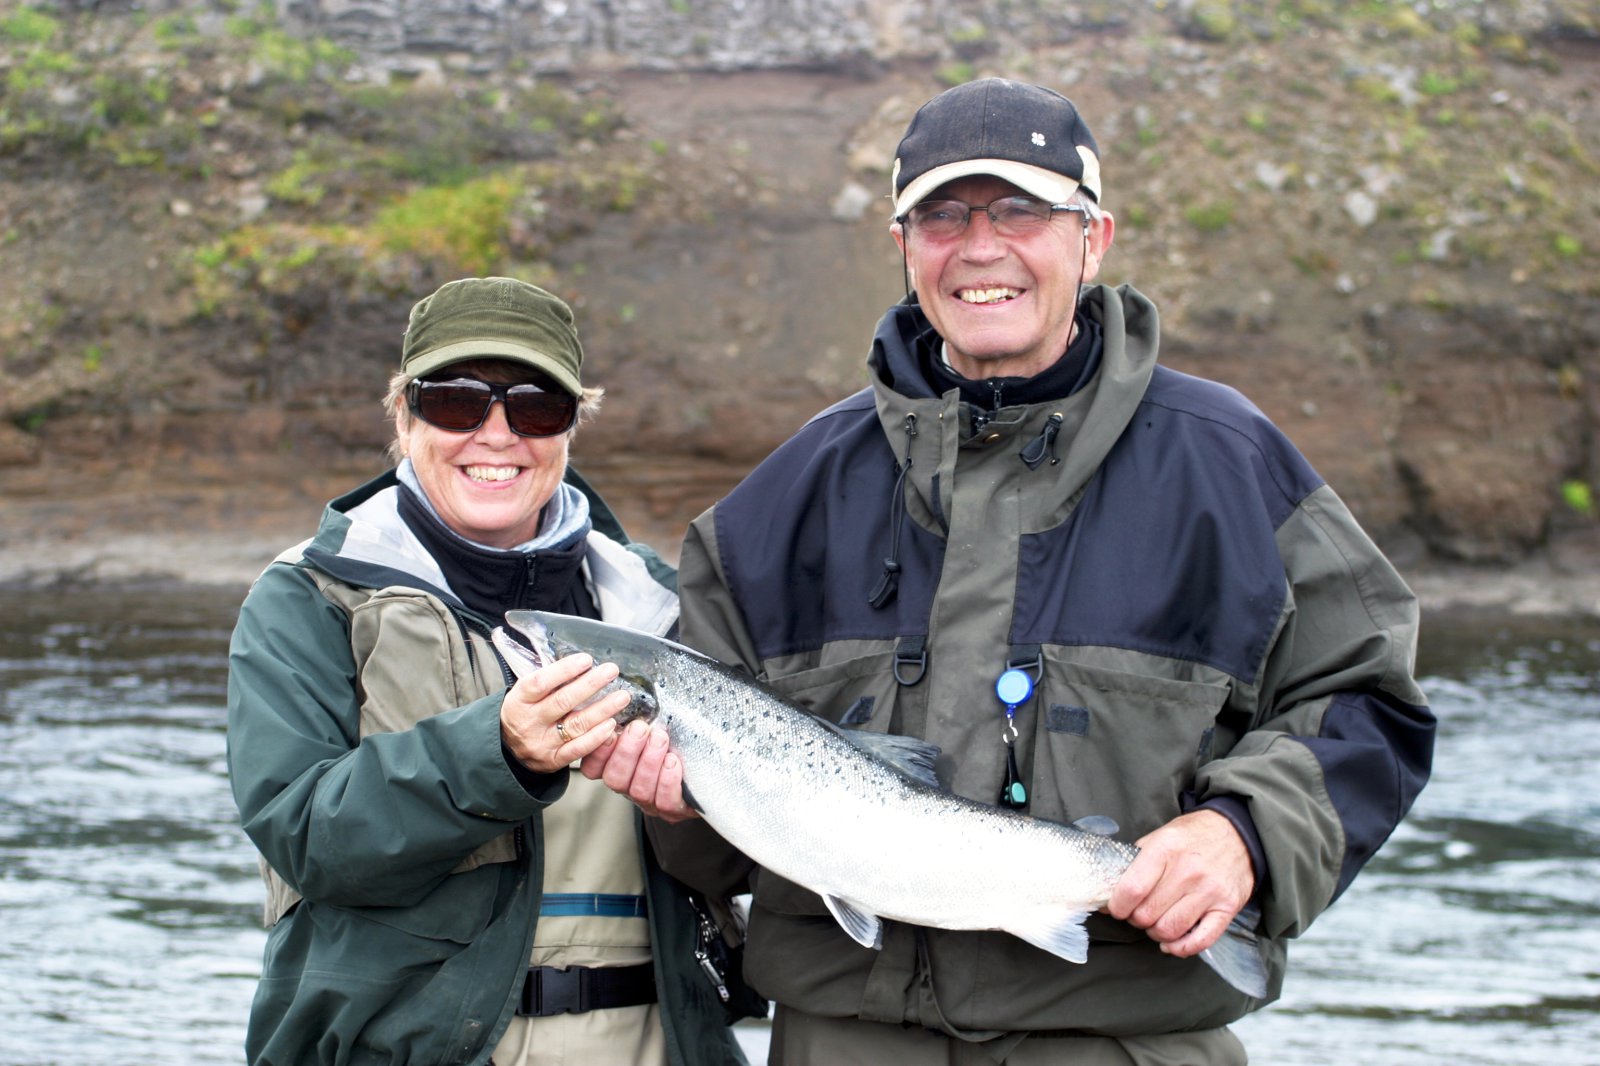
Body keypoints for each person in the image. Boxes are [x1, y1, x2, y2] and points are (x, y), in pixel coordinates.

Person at [596, 78, 1436, 1064]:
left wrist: (1243, 835)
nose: (980, 246)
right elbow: (717, 852)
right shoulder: (772, 508)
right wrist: (673, 802)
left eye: (1022, 211)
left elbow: (1368, 701)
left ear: (1095, 236)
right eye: (943, 215)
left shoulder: (1230, 465)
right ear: (902, 244)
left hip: (1121, 1040)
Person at [226, 276, 752, 1066]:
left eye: (537, 406)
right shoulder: (307, 597)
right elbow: (304, 834)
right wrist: (496, 753)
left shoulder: (665, 607)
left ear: (573, 427)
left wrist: (697, 812)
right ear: (404, 419)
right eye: (455, 402)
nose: (497, 434)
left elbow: (753, 853)